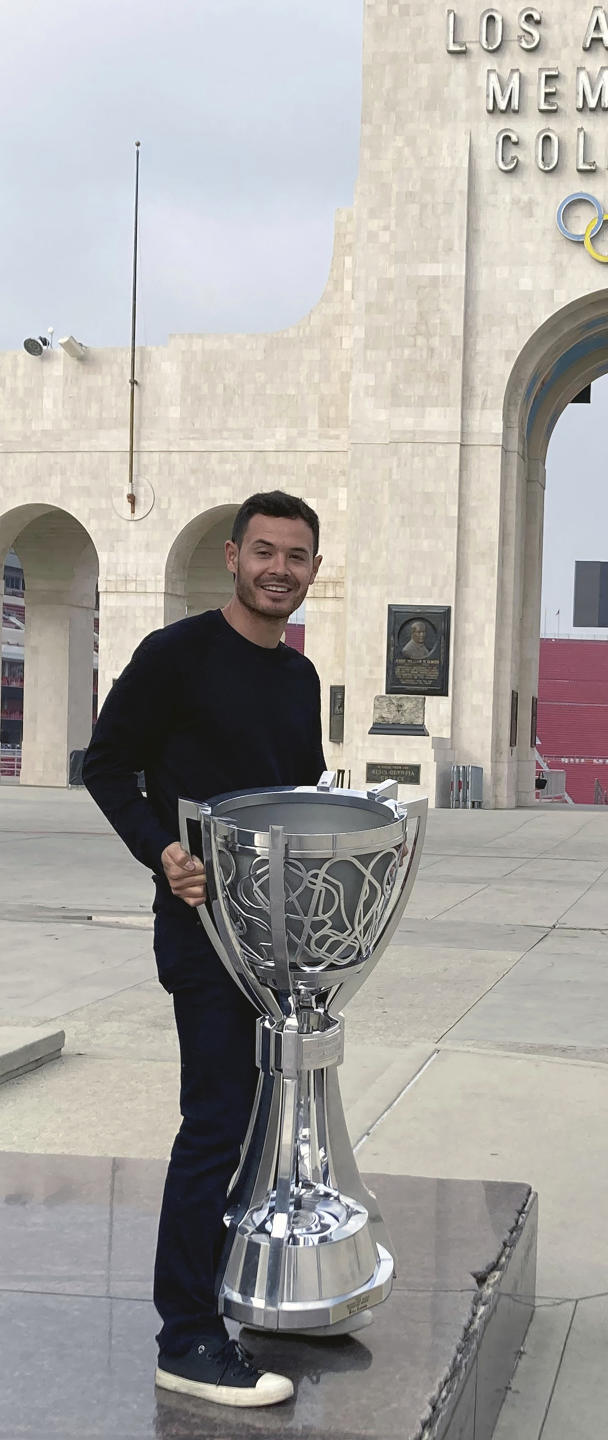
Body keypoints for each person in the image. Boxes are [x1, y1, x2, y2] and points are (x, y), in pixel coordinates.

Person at [83, 491, 326, 1409]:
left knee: (270, 1129)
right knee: (216, 1124)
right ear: (232, 556)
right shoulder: (175, 655)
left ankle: (245, 1290)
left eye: (296, 556)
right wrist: (163, 852)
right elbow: (107, 762)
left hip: (281, 943)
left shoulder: (299, 682)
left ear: (312, 570)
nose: (279, 568)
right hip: (199, 931)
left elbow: (295, 806)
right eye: (264, 550)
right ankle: (185, 1336)